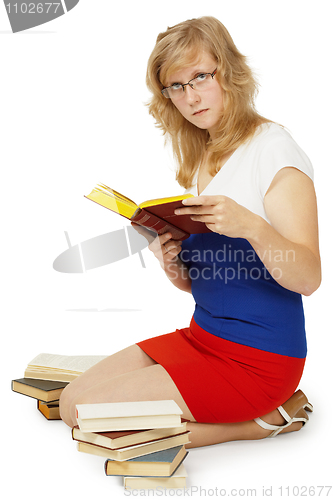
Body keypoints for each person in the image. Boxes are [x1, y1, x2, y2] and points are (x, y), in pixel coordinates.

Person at [59, 16, 321, 448]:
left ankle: (260, 423)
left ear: (229, 72)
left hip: (259, 360)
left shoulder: (274, 150)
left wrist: (251, 226)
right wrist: (172, 261)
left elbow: (309, 277)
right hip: (203, 337)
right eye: (176, 86)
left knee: (92, 420)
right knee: (72, 404)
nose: (191, 96)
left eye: (201, 76)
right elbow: (211, 284)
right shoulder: (203, 156)